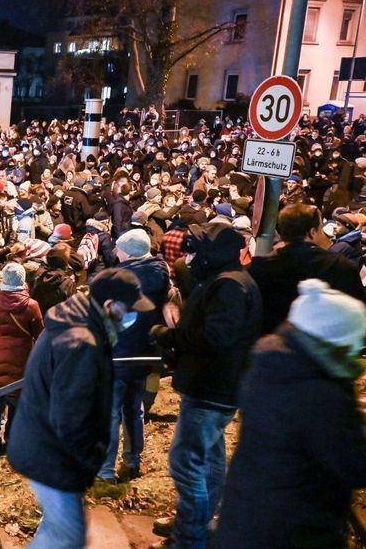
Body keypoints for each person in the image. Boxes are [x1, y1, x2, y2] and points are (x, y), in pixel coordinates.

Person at [214, 280, 366, 547]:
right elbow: (356, 467)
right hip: (292, 530)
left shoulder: (273, 365)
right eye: (354, 342)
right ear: (334, 342)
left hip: (248, 516)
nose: (358, 351)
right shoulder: (318, 393)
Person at [8, 269, 155, 548]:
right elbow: (71, 418)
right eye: (130, 310)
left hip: (42, 445)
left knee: (58, 532)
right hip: (53, 456)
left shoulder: (78, 322)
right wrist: (89, 462)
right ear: (111, 307)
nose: (132, 317)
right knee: (68, 536)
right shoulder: (82, 343)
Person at [150, 223, 263, 548]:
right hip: (214, 385)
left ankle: (189, 537)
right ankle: (200, 520)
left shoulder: (229, 285)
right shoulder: (224, 281)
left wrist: (167, 335)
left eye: (195, 251)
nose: (189, 258)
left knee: (185, 463)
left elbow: (215, 337)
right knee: (210, 460)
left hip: (211, 388)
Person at [97, 229, 171, 482]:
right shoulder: (162, 274)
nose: (115, 253)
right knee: (134, 408)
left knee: (110, 412)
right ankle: (132, 461)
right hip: (145, 350)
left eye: (118, 248)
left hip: (118, 353)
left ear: (127, 252)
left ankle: (105, 470)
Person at [247, 203, 366, 332]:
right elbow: (361, 311)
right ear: (312, 232)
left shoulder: (259, 266)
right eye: (321, 229)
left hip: (270, 341)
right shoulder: (338, 265)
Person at [0, 263, 43, 452]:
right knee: (17, 402)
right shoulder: (31, 305)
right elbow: (39, 333)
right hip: (22, 358)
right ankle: (11, 437)